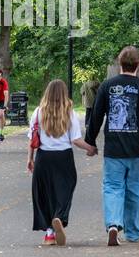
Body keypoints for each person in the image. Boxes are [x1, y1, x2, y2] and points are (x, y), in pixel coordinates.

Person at [86, 45, 139, 245]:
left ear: (120, 63)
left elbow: (96, 116)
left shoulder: (107, 86)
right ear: (138, 65)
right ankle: (134, 233)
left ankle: (113, 223)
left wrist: (90, 141)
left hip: (114, 150)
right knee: (135, 190)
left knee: (112, 187)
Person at [27, 79, 95, 246]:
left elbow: (32, 138)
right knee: (65, 190)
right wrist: (90, 148)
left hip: (44, 158)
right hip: (64, 158)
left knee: (45, 194)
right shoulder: (69, 112)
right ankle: (59, 217)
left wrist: (30, 159)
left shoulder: (38, 112)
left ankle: (49, 233)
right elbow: (76, 139)